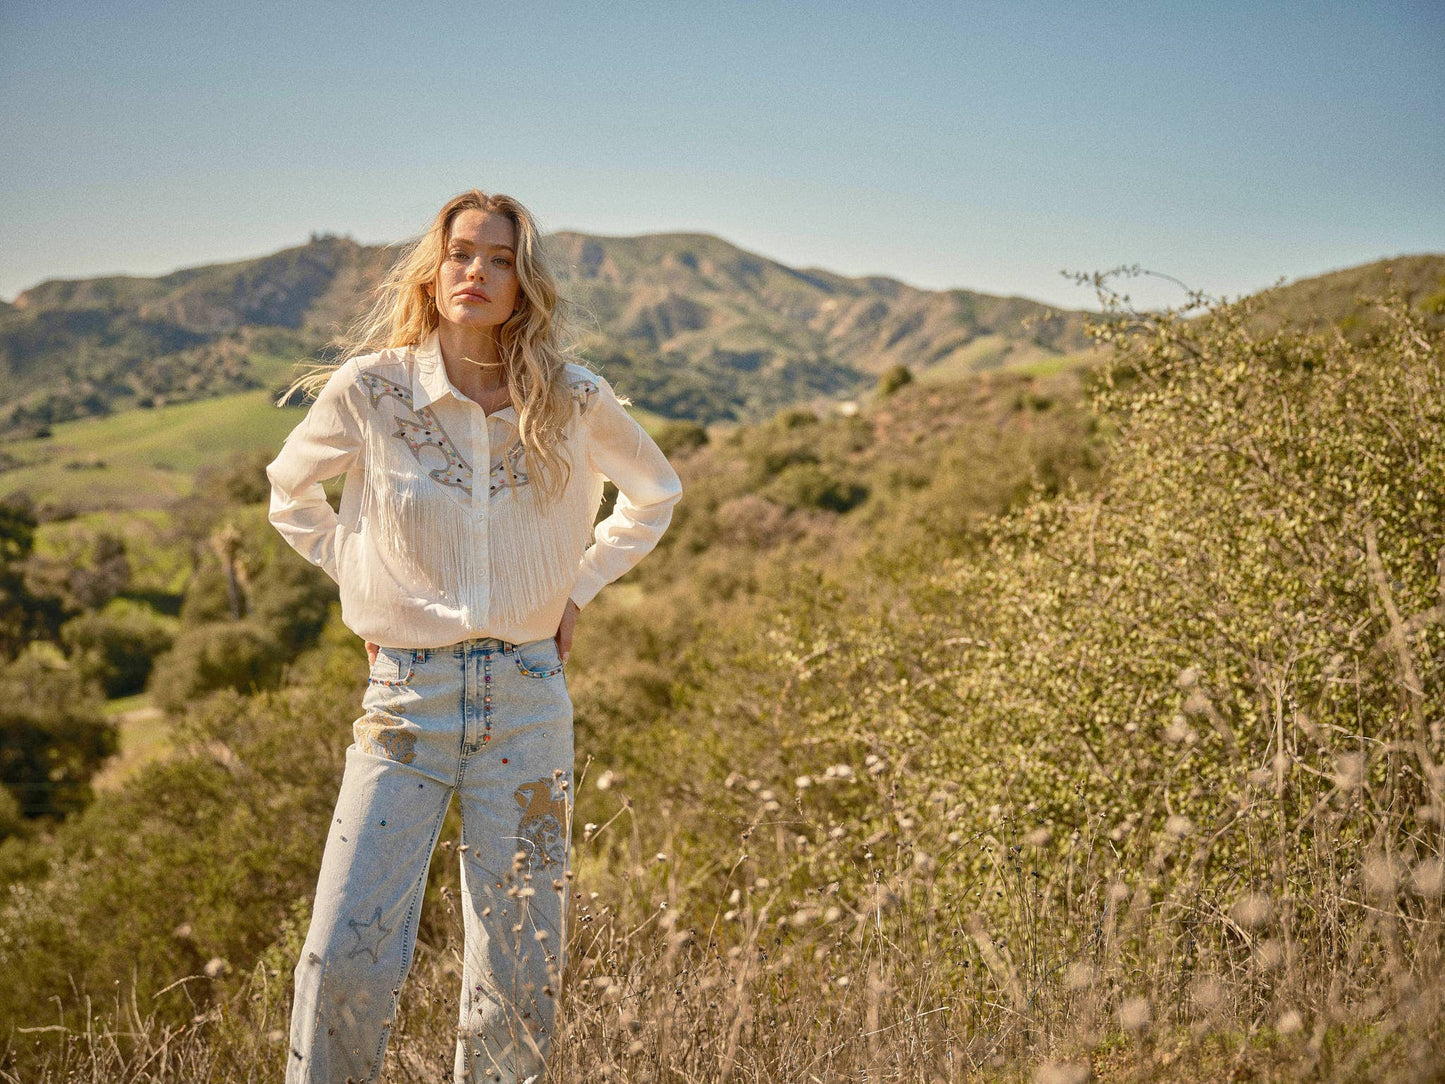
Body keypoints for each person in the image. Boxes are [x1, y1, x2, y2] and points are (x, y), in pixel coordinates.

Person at [264, 189, 683, 1084]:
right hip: (405, 697)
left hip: (530, 702)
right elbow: (289, 493)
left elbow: (654, 494)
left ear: (524, 282)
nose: (478, 273)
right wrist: (363, 574)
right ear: (435, 267)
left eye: (500, 259)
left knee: (518, 968)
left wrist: (579, 585)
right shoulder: (374, 388)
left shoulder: (571, 397)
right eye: (462, 254)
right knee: (344, 950)